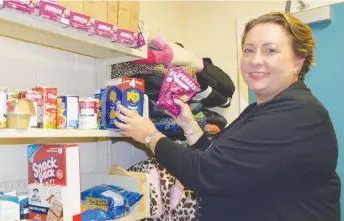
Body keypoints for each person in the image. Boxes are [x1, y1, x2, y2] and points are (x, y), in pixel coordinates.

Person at [114, 11, 340, 221]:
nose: (255, 60)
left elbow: (207, 173)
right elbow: (222, 161)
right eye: (249, 50)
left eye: (270, 50)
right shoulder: (262, 109)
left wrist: (149, 137)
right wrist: (189, 124)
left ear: (298, 62)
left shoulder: (298, 113)